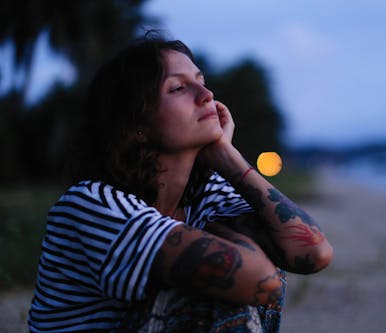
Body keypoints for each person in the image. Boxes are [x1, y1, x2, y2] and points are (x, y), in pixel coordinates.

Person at [28, 32, 333, 332]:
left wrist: (229, 159)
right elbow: (262, 282)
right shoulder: (94, 203)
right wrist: (233, 242)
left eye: (201, 82)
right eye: (178, 89)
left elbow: (313, 253)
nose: (206, 96)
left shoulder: (204, 195)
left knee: (246, 256)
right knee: (220, 288)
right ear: (137, 124)